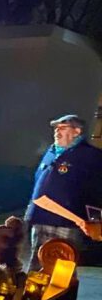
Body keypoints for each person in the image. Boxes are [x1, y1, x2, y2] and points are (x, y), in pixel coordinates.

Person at [24, 113, 102, 268]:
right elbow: (39, 183)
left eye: (62, 128)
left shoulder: (90, 155)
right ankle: (34, 293)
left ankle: (63, 293)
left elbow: (96, 190)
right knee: (37, 265)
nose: (57, 132)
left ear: (77, 131)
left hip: (67, 224)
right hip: (41, 220)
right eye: (56, 129)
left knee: (62, 269)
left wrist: (95, 221)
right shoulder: (51, 152)